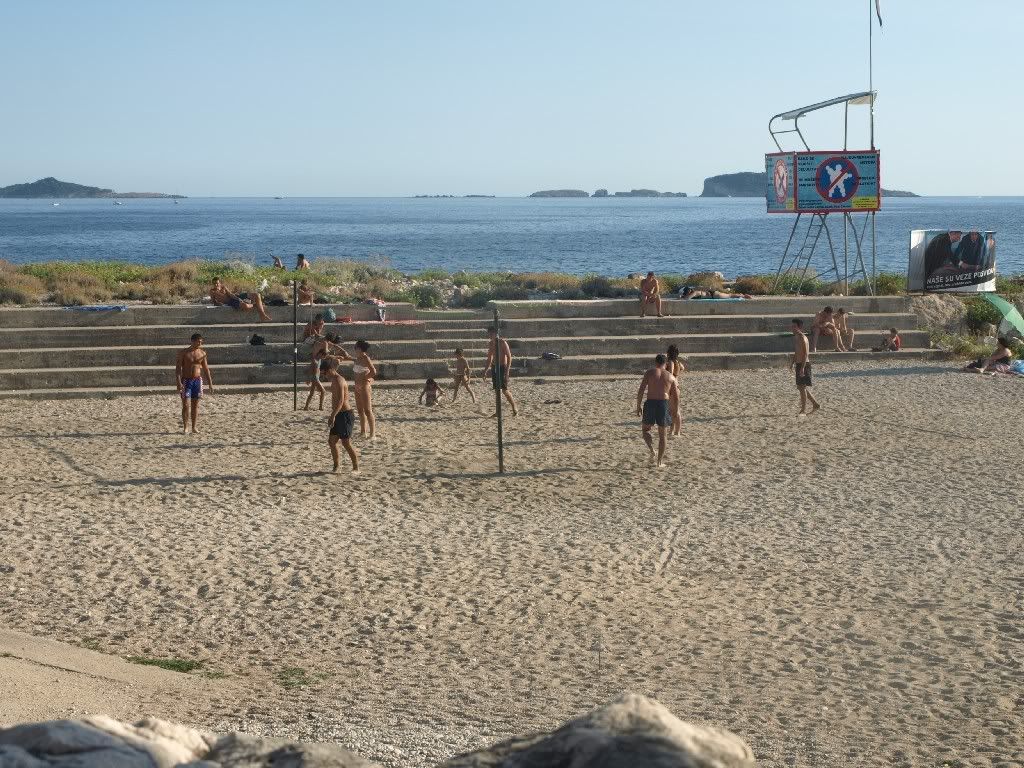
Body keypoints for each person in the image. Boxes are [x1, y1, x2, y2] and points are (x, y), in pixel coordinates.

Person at [636, 353, 678, 468]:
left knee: (645, 430)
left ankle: (652, 450)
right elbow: (675, 397)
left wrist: (638, 406)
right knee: (663, 436)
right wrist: (675, 410)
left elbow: (641, 390)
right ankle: (659, 462)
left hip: (650, 403)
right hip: (663, 404)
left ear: (656, 362)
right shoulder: (670, 376)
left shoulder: (649, 373)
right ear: (666, 364)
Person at [325, 358, 359, 473]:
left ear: (330, 370)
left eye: (325, 373)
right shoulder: (334, 379)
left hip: (345, 414)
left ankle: (356, 467)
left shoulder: (339, 380)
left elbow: (340, 401)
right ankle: (336, 466)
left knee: (346, 442)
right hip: (338, 414)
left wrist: (332, 416)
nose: (325, 376)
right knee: (332, 441)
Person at [175, 333, 213, 434]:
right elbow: (178, 369)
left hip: (197, 381)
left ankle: (194, 427)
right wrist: (178, 382)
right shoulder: (183, 353)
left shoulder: (202, 353)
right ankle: (185, 427)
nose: (200, 343)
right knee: (186, 405)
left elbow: (206, 369)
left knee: (195, 405)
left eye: (201, 342)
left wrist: (210, 383)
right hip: (186, 381)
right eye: (198, 342)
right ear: (192, 341)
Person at [305, 333, 350, 411]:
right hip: (315, 378)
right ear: (320, 354)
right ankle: (320, 407)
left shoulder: (318, 359)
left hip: (316, 377)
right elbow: (310, 370)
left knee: (312, 393)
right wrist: (308, 379)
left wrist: (338, 355)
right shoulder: (315, 361)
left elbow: (328, 354)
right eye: (323, 356)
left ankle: (306, 407)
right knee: (323, 391)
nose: (324, 357)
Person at [484, 326, 518, 416]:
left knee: (504, 390)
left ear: (496, 333)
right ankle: (498, 411)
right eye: (489, 334)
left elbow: (509, 357)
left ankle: (514, 407)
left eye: (491, 333)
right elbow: (489, 358)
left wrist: (507, 372)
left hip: (502, 367)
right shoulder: (491, 344)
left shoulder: (502, 342)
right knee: (496, 390)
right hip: (494, 367)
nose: (490, 335)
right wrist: (485, 370)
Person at [790, 319, 820, 415]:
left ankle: (803, 410)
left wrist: (802, 368)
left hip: (804, 364)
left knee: (802, 388)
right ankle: (815, 404)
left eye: (794, 326)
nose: (792, 328)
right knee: (801, 387)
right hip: (798, 364)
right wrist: (792, 363)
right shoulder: (796, 337)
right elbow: (797, 351)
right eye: (792, 326)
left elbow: (806, 354)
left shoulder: (803, 338)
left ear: (799, 327)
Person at [352, 340, 378, 439]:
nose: (354, 349)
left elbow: (373, 371)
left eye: (355, 347)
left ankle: (372, 434)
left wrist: (366, 378)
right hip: (357, 387)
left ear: (359, 348)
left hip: (364, 386)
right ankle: (363, 432)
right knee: (360, 410)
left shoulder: (366, 358)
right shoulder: (357, 358)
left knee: (367, 410)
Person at [665, 344, 685, 437]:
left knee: (674, 411)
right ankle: (674, 431)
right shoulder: (678, 362)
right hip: (677, 386)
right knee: (674, 410)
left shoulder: (671, 362)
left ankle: (676, 431)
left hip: (672, 387)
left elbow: (670, 373)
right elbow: (683, 368)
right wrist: (677, 375)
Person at [679, 286, 753, 300]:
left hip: (714, 295)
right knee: (729, 295)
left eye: (685, 293)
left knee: (730, 295)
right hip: (713, 294)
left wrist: (681, 298)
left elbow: (687, 298)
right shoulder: (694, 292)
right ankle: (741, 295)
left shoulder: (694, 292)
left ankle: (743, 296)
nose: (685, 294)